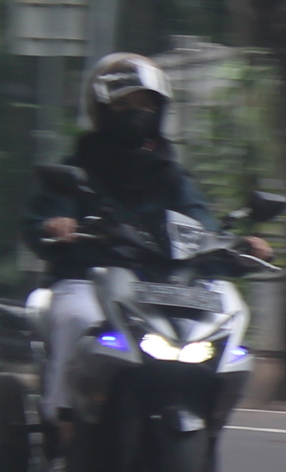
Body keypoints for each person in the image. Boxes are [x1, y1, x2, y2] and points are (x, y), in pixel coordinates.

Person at [21, 53, 268, 446]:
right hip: (90, 277)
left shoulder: (170, 172)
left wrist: (235, 245)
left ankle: (211, 409)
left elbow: (199, 221)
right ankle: (62, 422)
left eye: (145, 103)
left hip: (159, 284)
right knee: (77, 320)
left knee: (226, 307)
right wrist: (58, 226)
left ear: (160, 109)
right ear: (103, 110)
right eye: (124, 104)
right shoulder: (78, 167)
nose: (136, 112)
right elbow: (42, 223)